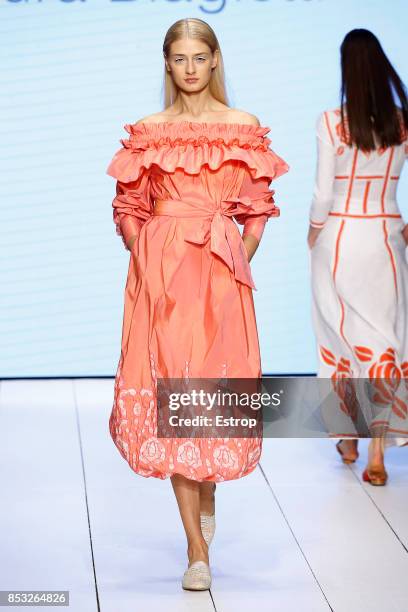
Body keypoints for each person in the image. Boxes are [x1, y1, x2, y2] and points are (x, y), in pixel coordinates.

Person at [106, 17, 289, 590]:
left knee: (209, 393)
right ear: (167, 63)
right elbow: (128, 205)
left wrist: (239, 255)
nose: (189, 68)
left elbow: (258, 203)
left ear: (214, 61)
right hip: (162, 279)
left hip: (218, 273)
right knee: (171, 395)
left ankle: (206, 492)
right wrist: (148, 256)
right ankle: (195, 548)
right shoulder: (148, 132)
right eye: (179, 58)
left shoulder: (242, 128)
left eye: (198, 58)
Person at [308, 28, 408, 486]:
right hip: (387, 237)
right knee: (384, 341)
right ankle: (378, 451)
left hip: (340, 236)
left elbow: (322, 194)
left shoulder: (332, 122)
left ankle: (347, 436)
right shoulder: (402, 123)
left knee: (338, 338)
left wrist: (313, 232)